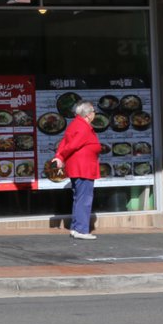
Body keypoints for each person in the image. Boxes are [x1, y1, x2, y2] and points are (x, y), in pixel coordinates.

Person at [55, 100, 102, 238]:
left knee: (79, 198)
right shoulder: (83, 127)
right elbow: (72, 145)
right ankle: (81, 230)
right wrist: (60, 156)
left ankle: (76, 228)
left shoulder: (75, 124)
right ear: (88, 114)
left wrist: (59, 155)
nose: (95, 114)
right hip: (83, 168)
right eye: (94, 111)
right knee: (85, 199)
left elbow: (65, 142)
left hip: (79, 167)